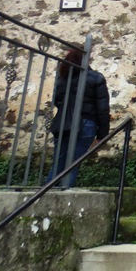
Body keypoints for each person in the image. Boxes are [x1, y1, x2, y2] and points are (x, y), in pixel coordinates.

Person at [47, 48, 110, 188]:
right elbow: (102, 109)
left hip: (64, 122)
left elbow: (57, 100)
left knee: (58, 164)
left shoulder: (63, 78)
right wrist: (102, 134)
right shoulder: (96, 78)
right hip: (86, 123)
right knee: (72, 165)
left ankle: (46, 196)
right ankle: (63, 200)